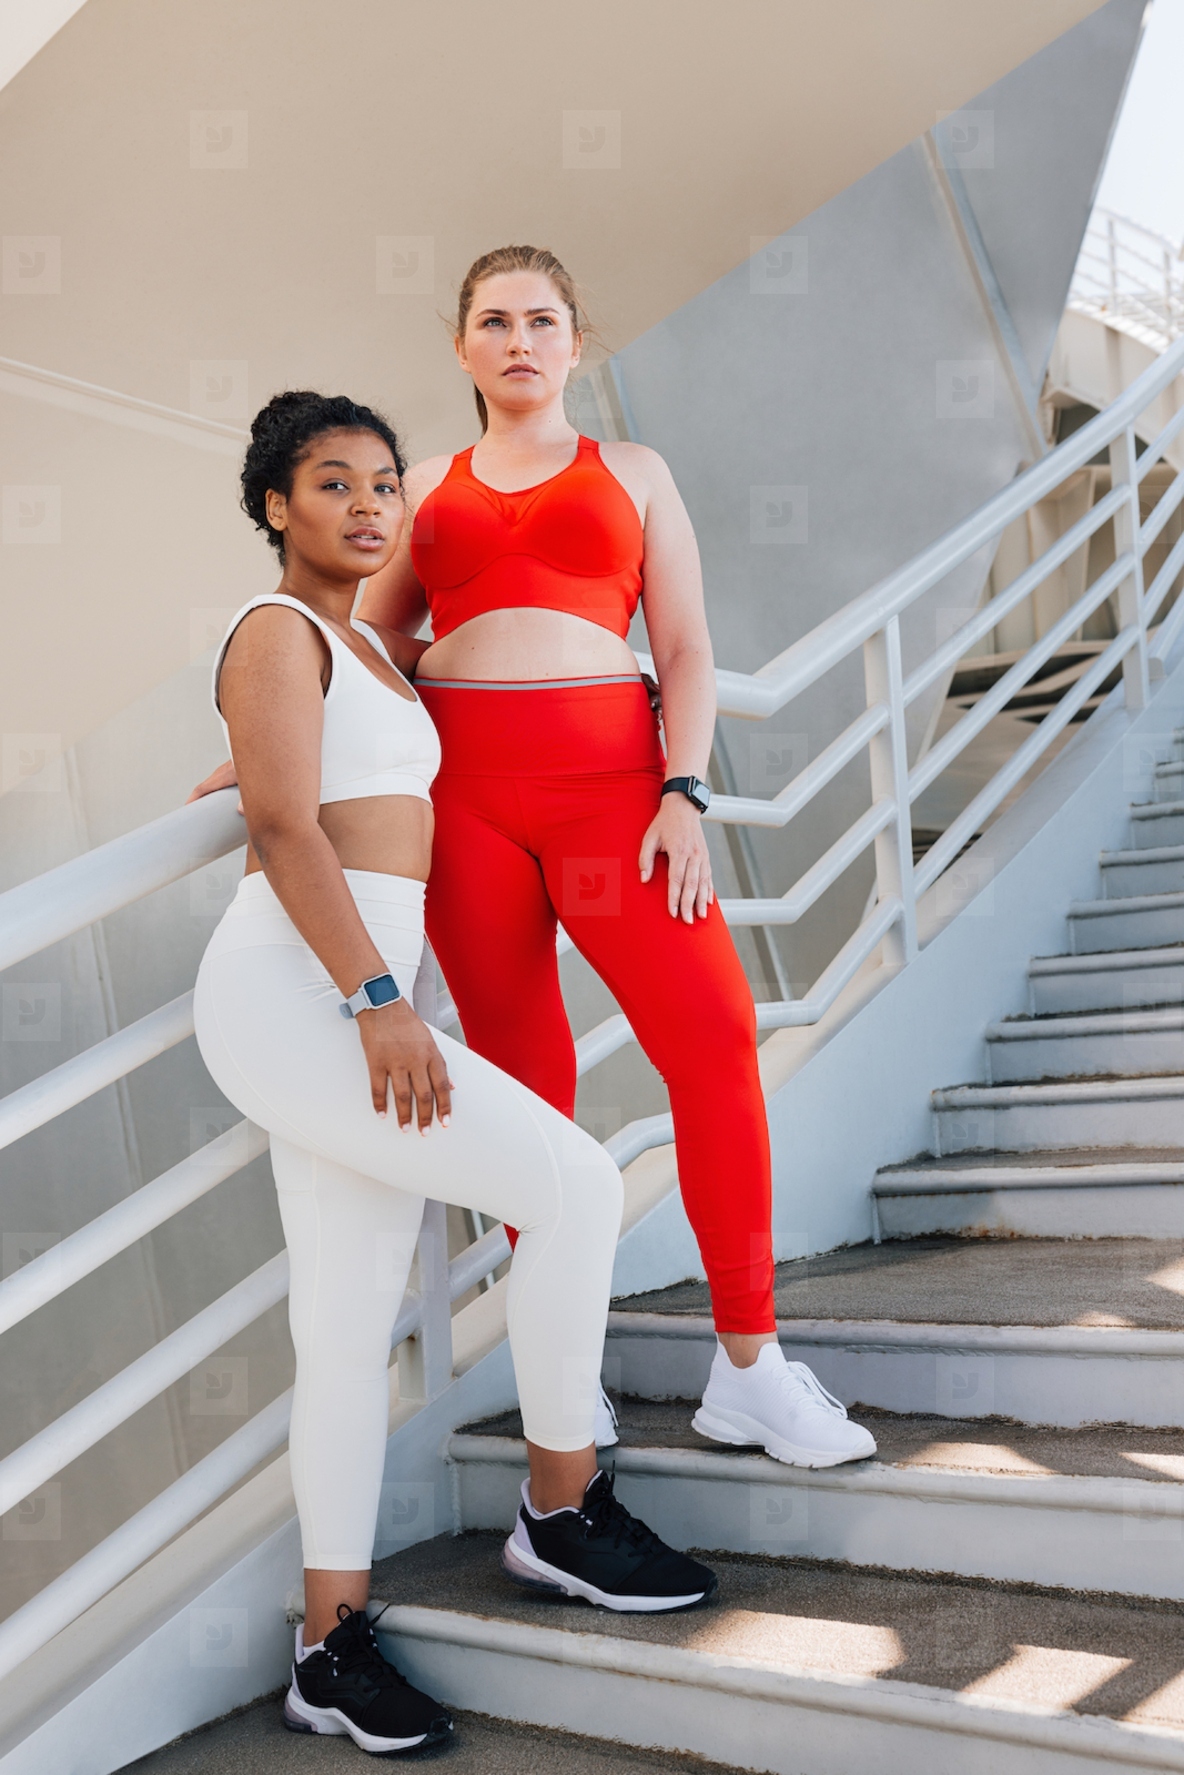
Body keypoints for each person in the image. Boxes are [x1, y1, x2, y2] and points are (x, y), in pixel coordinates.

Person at [192, 391, 717, 1758]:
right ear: (274, 507)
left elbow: (313, 775)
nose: (367, 505)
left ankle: (327, 1643)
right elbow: (279, 817)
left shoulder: (367, 645)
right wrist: (379, 997)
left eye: (381, 485)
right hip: (305, 997)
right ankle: (559, 1505)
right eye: (329, 483)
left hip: (354, 990)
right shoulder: (277, 629)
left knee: (346, 1323)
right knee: (583, 1182)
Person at [359, 244, 877, 1471]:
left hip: (616, 799)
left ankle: (747, 1361)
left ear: (575, 343)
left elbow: (686, 647)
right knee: (524, 1080)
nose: (519, 339)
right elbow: (370, 639)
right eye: (494, 320)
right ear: (461, 345)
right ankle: (557, 1367)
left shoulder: (634, 472)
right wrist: (272, 743)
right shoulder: (420, 483)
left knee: (711, 1038)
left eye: (542, 320)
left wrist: (683, 792)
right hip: (467, 802)